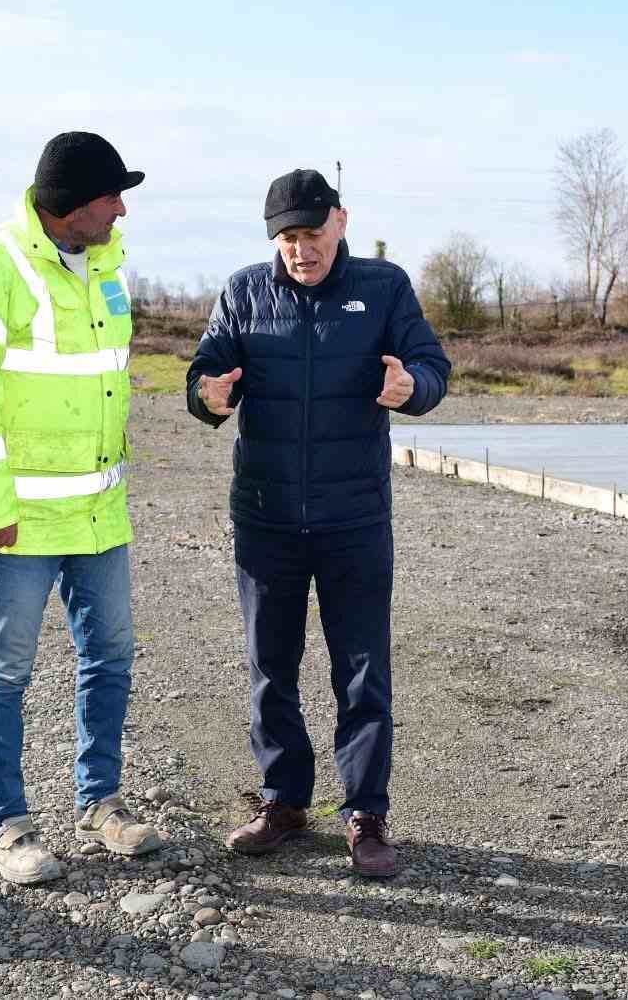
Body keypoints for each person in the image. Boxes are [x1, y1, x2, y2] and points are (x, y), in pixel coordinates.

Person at [186, 168, 450, 878]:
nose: (301, 251)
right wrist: (208, 397)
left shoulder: (385, 287)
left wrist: (411, 388)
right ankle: (284, 801)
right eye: (288, 239)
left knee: (362, 670)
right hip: (265, 518)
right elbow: (206, 373)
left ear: (341, 220)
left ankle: (366, 813)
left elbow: (431, 366)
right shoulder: (244, 291)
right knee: (270, 665)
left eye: (312, 233)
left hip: (354, 517)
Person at [0, 131, 161, 885]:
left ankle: (100, 802)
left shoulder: (108, 267)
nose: (121, 209)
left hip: (100, 516)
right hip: (19, 520)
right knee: (4, 671)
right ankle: (7, 825)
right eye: (112, 196)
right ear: (71, 204)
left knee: (112, 657)